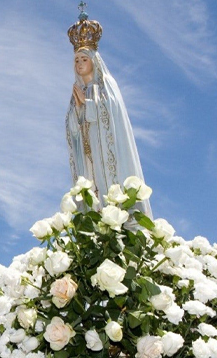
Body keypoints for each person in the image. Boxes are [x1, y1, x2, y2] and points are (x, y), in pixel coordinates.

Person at [65, 7, 152, 217]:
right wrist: (77, 112)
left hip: (107, 159)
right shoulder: (77, 92)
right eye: (76, 60)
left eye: (83, 59)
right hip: (88, 159)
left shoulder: (106, 85)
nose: (79, 64)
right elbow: (72, 131)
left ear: (93, 61)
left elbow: (112, 114)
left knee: (111, 199)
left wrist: (88, 106)